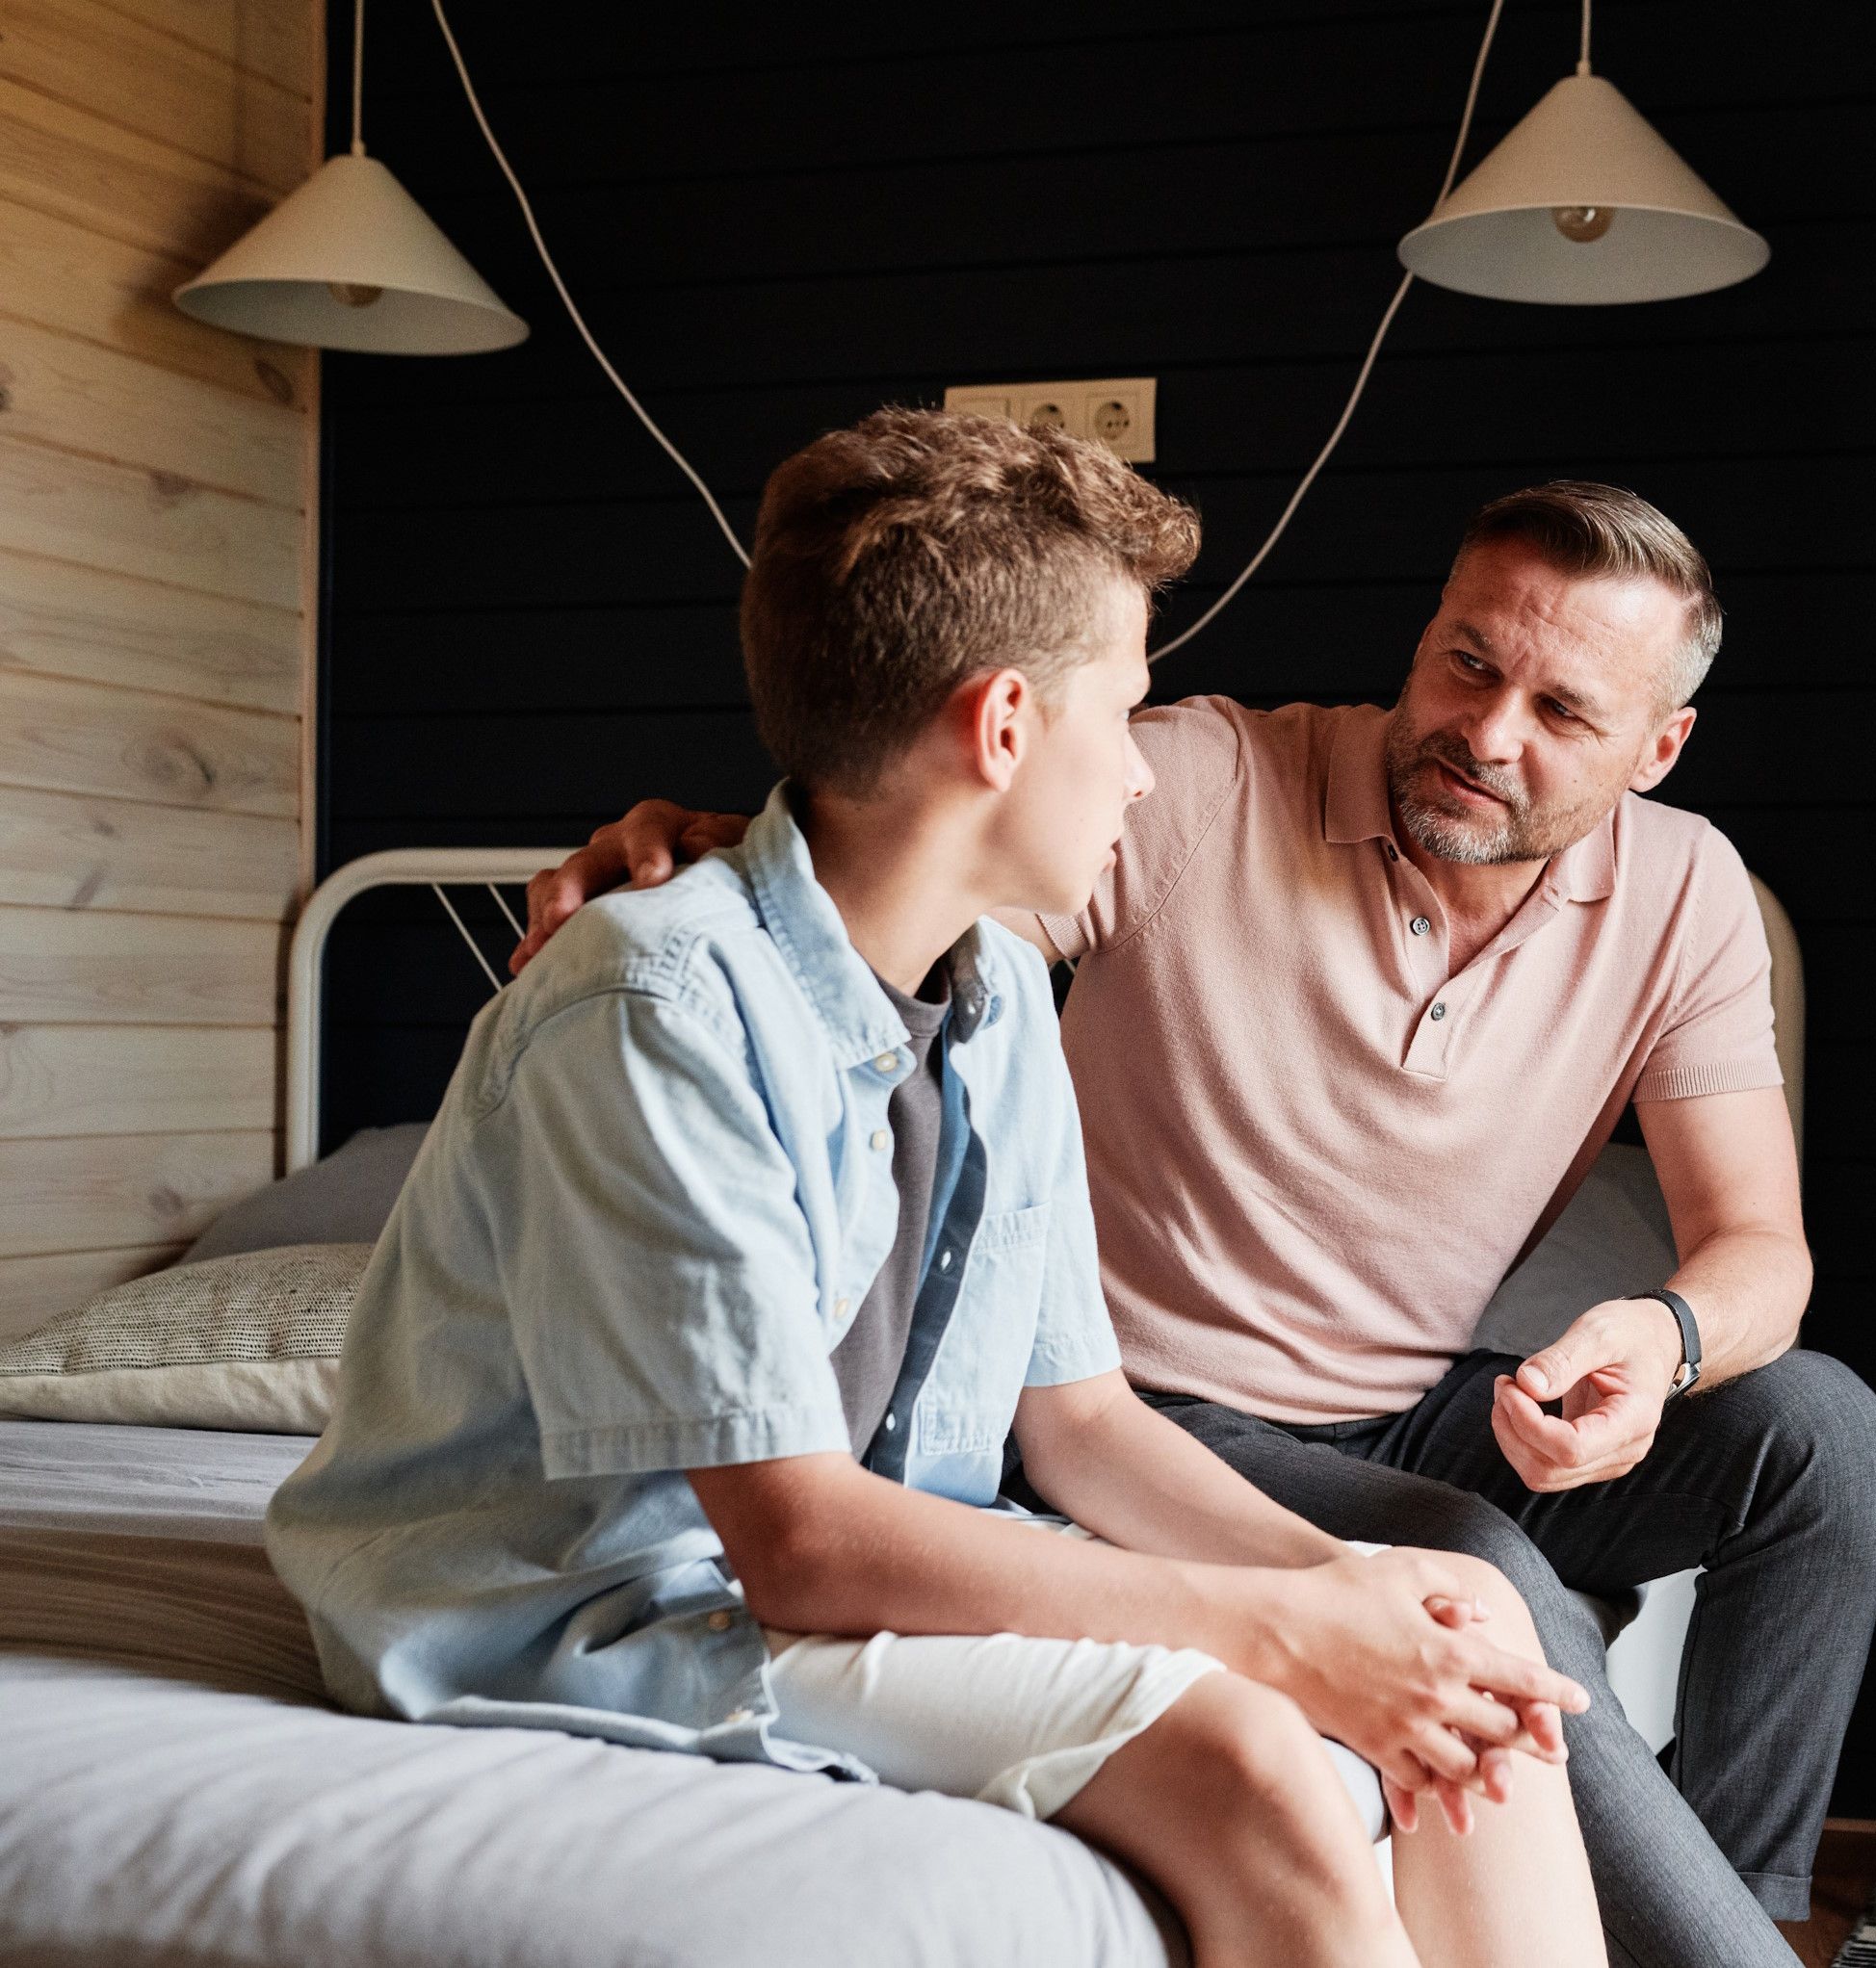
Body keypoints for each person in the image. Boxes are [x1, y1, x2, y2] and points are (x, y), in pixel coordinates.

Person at [270, 408, 1611, 1968]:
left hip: (844, 1572)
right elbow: (801, 1546)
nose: (1141, 775)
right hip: (607, 1612)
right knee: (1251, 1762)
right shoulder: (652, 1005)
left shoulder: (996, 998)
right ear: (1003, 727)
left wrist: (1358, 1593)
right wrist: (1272, 1631)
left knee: (1467, 1612)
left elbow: (1082, 1424)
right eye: (1127, 712)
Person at [523, 479, 1876, 1968]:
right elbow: (911, 883)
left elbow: (1764, 1246)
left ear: (1657, 750)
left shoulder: (1686, 889)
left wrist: (1662, 1334)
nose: (1488, 732)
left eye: (1563, 711)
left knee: (1821, 1440)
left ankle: (1747, 1909)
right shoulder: (1185, 787)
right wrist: (736, 854)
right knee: (1485, 1582)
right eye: (1465, 661)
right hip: (1163, 1415)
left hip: (1410, 1406)